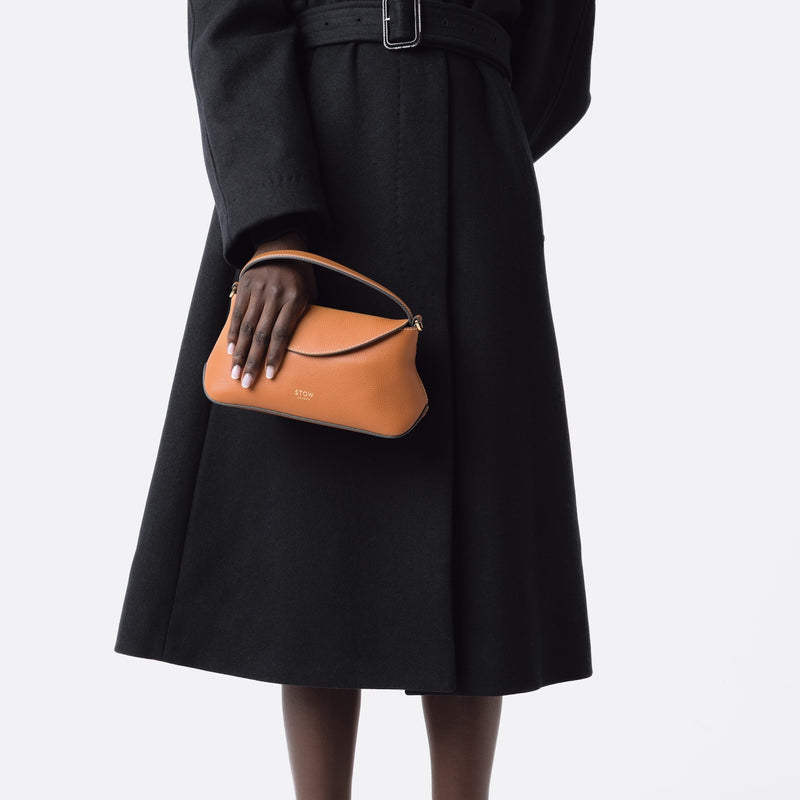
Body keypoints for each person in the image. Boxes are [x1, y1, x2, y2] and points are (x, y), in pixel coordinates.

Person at [114, 0, 596, 796]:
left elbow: (555, 63)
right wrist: (275, 224)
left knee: (477, 522)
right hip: (318, 162)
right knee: (313, 524)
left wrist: (474, 120)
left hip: (477, 180)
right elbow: (230, 24)